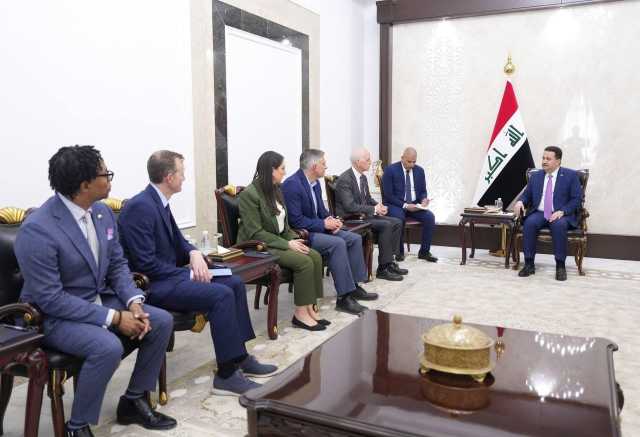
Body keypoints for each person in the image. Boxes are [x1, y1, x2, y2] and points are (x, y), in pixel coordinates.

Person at [15, 145, 177, 437]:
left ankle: (134, 400)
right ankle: (77, 426)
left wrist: (134, 302)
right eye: (105, 174)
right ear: (84, 185)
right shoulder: (37, 229)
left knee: (161, 321)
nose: (110, 179)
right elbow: (50, 298)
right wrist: (115, 318)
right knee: (107, 346)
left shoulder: (101, 212)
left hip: (100, 299)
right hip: (51, 317)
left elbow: (117, 264)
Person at [118, 150, 277, 396]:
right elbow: (145, 264)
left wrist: (193, 253)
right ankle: (226, 376)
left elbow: (178, 241)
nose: (184, 177)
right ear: (169, 177)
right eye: (182, 172)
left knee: (234, 282)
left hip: (171, 277)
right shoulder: (140, 207)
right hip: (153, 285)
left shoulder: (158, 201)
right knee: (221, 295)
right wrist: (190, 275)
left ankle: (239, 356)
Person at [237, 151, 326, 331]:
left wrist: (294, 239)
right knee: (304, 262)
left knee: (315, 256)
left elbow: (283, 227)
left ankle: (310, 306)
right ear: (271, 170)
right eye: (282, 168)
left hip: (277, 240)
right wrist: (287, 244)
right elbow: (255, 232)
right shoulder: (250, 194)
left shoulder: (277, 189)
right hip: (258, 247)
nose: (285, 172)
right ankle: (300, 314)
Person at [282, 149, 378, 315]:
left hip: (318, 228)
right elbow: (295, 221)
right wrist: (323, 224)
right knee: (338, 243)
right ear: (314, 166)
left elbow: (321, 211)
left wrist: (332, 221)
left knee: (353, 238)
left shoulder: (315, 183)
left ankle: (354, 286)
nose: (326, 167)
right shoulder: (292, 185)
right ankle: (344, 298)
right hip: (304, 235)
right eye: (323, 164)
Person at [335, 147, 408, 281]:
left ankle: (389, 262)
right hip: (351, 219)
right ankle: (383, 269)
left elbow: (368, 199)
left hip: (364, 215)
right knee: (386, 225)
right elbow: (349, 206)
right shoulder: (345, 179)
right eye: (367, 159)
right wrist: (374, 210)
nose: (370, 161)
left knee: (397, 222)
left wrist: (378, 206)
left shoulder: (362, 177)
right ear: (358, 162)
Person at [514, 146, 583, 281]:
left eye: (548, 159)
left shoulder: (570, 175)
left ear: (558, 161)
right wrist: (520, 202)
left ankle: (560, 266)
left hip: (559, 213)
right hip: (540, 212)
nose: (544, 161)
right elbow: (526, 195)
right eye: (543, 158)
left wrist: (563, 211)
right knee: (529, 223)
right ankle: (529, 264)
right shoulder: (536, 176)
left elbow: (577, 199)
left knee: (559, 225)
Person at [381, 147, 437, 262]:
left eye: (414, 162)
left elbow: (423, 191)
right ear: (402, 158)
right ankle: (399, 252)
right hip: (396, 205)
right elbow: (388, 195)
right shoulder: (390, 170)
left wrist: (423, 200)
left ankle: (424, 252)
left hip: (414, 205)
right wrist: (405, 205)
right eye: (409, 161)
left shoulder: (420, 171)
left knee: (430, 217)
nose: (412, 165)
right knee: (399, 218)